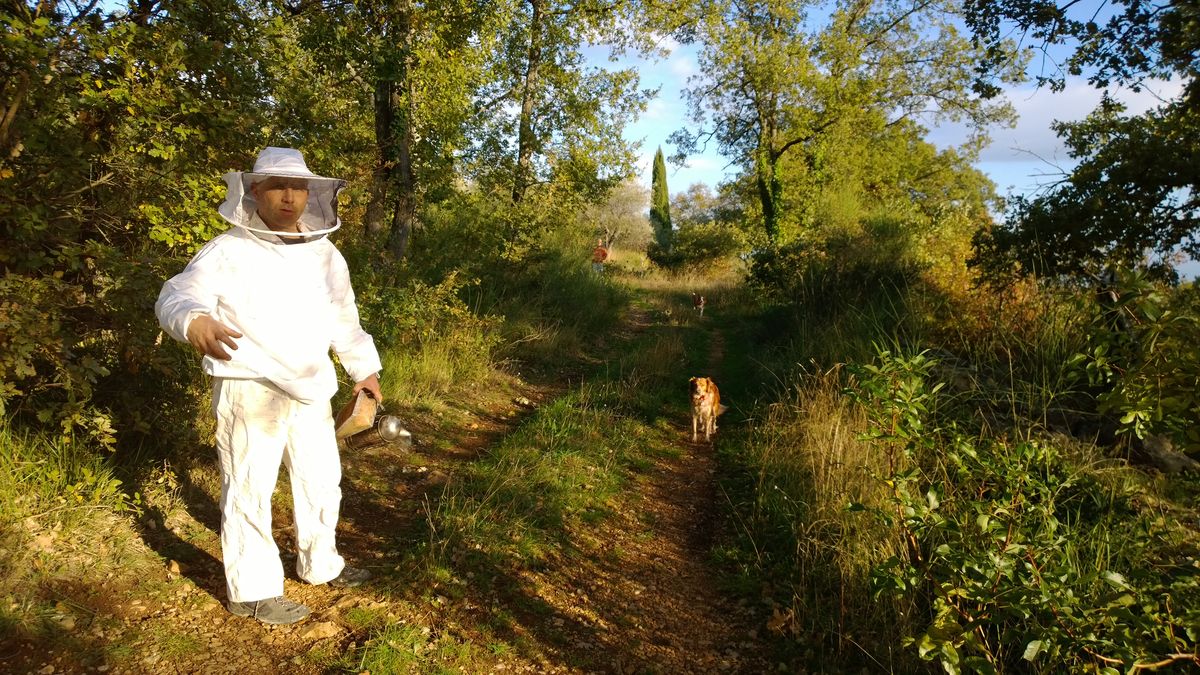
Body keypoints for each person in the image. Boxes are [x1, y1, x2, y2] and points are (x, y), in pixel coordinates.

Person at [156, 147, 382, 625]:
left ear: (311, 194)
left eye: (298, 188)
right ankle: (253, 590)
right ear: (255, 191)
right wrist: (193, 321)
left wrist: (364, 369)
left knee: (321, 483)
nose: (289, 197)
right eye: (278, 186)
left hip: (310, 386)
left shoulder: (326, 254)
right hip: (249, 383)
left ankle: (321, 565)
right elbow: (178, 294)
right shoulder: (228, 250)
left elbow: (343, 317)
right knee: (249, 486)